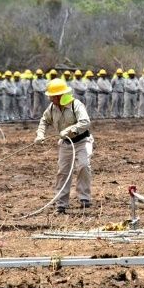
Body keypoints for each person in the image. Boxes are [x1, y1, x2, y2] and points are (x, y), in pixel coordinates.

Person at [35, 78, 93, 214]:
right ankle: (61, 203)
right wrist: (40, 134)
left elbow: (85, 122)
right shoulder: (51, 108)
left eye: (52, 96)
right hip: (65, 144)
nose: (49, 99)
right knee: (62, 172)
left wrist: (70, 130)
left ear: (59, 96)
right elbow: (44, 121)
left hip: (82, 142)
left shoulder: (75, 105)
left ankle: (84, 198)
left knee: (83, 166)